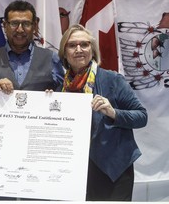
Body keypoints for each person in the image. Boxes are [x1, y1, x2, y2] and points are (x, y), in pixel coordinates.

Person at [58, 24, 148, 201]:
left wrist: (113, 112)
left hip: (113, 168)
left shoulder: (112, 79)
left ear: (92, 50)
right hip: (75, 170)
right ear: (64, 53)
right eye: (72, 45)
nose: (79, 49)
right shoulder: (60, 87)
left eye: (84, 44)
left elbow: (142, 116)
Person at [0, 0, 64, 93]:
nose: (20, 30)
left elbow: (64, 97)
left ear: (34, 26)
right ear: (5, 26)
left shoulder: (51, 59)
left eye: (26, 24)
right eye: (14, 23)